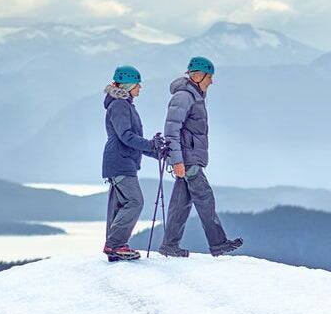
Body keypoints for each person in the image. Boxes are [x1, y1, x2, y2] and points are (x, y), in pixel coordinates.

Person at [159, 56, 243, 257]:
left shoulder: (194, 95)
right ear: (198, 75)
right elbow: (171, 130)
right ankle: (218, 243)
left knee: (181, 202)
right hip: (188, 159)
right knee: (205, 198)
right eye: (209, 77)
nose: (211, 82)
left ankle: (169, 245)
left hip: (189, 157)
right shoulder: (184, 97)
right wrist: (177, 160)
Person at [100, 65, 162, 262]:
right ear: (128, 85)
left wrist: (157, 151)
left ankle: (114, 247)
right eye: (137, 84)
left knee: (120, 205)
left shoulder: (123, 104)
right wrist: (152, 145)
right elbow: (126, 136)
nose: (140, 88)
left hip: (120, 161)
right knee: (135, 201)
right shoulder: (119, 105)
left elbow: (131, 140)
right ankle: (115, 245)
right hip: (120, 162)